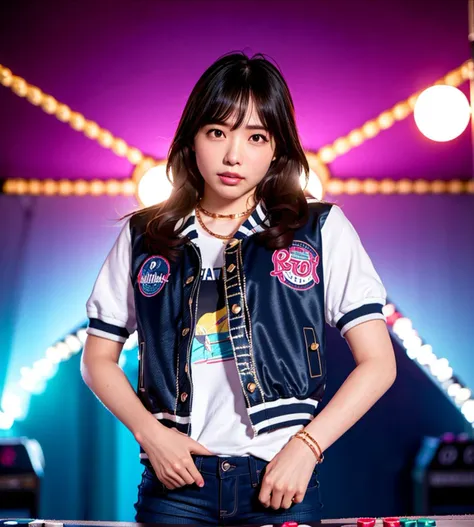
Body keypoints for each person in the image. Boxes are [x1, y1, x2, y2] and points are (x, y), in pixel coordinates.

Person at [81, 51, 396, 526]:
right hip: (176, 485)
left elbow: (379, 363)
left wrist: (307, 448)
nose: (233, 155)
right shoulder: (146, 236)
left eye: (255, 137)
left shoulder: (317, 229)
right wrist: (150, 435)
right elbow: (96, 359)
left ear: (276, 149)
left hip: (279, 480)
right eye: (217, 132)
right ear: (192, 138)